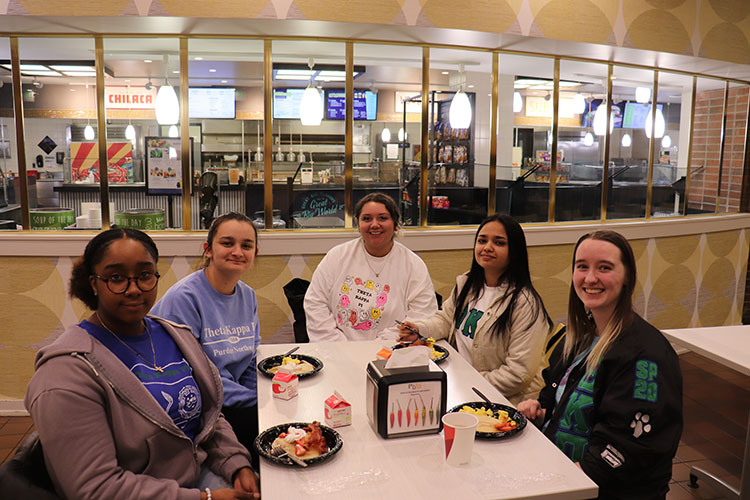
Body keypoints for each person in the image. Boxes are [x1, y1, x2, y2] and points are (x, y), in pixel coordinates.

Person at [24, 228, 259, 500]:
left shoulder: (175, 335)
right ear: (93, 283)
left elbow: (209, 416)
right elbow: (96, 489)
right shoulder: (64, 375)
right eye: (116, 278)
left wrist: (237, 463)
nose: (134, 289)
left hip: (199, 473)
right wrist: (205, 498)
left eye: (145, 275)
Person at [517, 230, 683, 500]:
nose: (590, 278)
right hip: (562, 472)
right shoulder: (580, 336)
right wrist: (542, 410)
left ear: (627, 276)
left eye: (604, 268)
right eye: (582, 266)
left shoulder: (647, 356)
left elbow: (632, 448)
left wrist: (562, 483)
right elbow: (554, 392)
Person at [397, 213, 552, 405]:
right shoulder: (467, 284)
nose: (487, 247)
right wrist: (419, 330)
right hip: (457, 384)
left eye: (499, 242)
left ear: (515, 251)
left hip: (496, 401)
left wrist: (467, 382)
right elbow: (445, 320)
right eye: (482, 240)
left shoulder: (525, 304)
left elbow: (518, 374)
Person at [151, 212, 261, 469]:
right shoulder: (184, 298)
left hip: (233, 399)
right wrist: (256, 402)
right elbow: (193, 375)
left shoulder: (248, 296)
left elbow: (250, 360)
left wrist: (262, 396)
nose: (237, 251)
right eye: (227, 243)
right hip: (193, 406)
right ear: (208, 249)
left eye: (246, 245)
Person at [305, 192, 438, 342]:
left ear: (395, 223)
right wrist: (338, 345)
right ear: (358, 224)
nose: (374, 224)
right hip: (335, 349)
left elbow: (421, 315)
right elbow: (315, 302)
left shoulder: (414, 265)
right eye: (367, 219)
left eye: (383, 218)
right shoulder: (337, 256)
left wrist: (379, 347)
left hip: (390, 353)